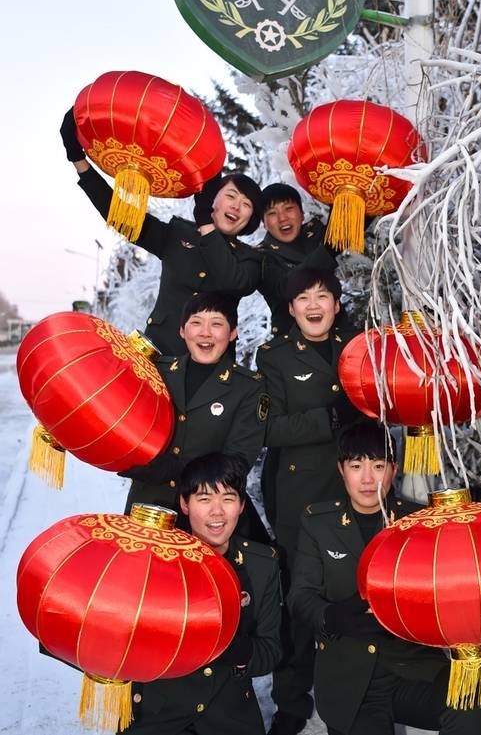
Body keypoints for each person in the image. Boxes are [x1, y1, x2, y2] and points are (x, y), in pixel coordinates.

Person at [288, 422, 481, 735]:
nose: (368, 478)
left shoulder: (419, 522)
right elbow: (300, 596)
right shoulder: (318, 522)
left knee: (474, 703)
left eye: (378, 465)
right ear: (341, 470)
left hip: (414, 669)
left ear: (394, 469)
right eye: (357, 466)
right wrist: (332, 616)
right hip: (351, 680)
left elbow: (447, 591)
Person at [60, 108, 263, 355]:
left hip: (211, 378)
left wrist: (205, 224)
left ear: (251, 218)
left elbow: (232, 281)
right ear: (214, 199)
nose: (236, 206)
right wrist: (78, 160)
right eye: (231, 196)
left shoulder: (250, 259)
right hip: (157, 359)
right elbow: (123, 216)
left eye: (246, 205)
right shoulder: (178, 234)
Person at [256, 267, 359, 735]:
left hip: (360, 492)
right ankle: (292, 703)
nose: (314, 305)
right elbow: (269, 429)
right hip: (300, 498)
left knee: (359, 593)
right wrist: (328, 419)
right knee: (301, 600)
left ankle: (360, 692)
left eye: (323, 295)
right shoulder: (274, 356)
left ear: (337, 305)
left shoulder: (360, 348)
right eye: (303, 297)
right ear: (291, 308)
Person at [127, 452, 282, 735]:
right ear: (184, 504)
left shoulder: (262, 564)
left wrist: (239, 651)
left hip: (230, 715)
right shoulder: (154, 558)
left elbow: (270, 651)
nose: (217, 512)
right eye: (204, 498)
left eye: (228, 498)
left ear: (242, 505)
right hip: (159, 713)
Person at [121, 292, 269, 542]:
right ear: (182, 331)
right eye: (197, 322)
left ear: (233, 333)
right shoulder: (157, 372)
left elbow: (238, 461)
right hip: (147, 507)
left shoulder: (248, 387)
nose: (205, 332)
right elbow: (122, 421)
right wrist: (126, 458)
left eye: (217, 323)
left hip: (208, 516)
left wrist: (178, 469)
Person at [257, 183, 337, 336]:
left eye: (289, 209)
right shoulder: (260, 257)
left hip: (338, 335)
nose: (282, 218)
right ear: (264, 223)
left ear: (301, 213)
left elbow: (350, 227)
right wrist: (327, 251)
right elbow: (283, 288)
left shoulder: (316, 233)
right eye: (272, 213)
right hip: (292, 345)